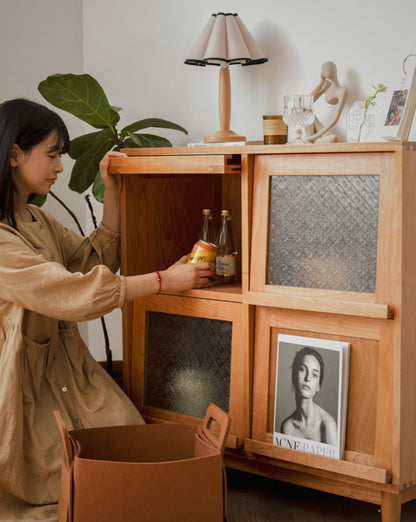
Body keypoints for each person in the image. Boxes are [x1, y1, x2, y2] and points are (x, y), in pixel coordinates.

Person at [0, 98, 214, 521]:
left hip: (71, 370)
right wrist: (163, 281)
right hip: (24, 381)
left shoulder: (38, 221)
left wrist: (112, 192)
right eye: (52, 154)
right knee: (50, 490)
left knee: (129, 448)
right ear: (13, 154)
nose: (60, 166)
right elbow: (70, 292)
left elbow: (90, 263)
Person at [280, 347, 337, 445]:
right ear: (293, 376)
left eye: (314, 375)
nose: (307, 378)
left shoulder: (327, 424)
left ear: (318, 386)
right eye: (302, 369)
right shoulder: (287, 427)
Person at [306, 61, 347, 143]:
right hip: (313, 133)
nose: (326, 71)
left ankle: (311, 141)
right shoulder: (327, 86)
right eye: (323, 69)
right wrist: (321, 83)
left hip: (323, 133)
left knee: (334, 138)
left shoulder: (342, 91)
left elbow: (335, 120)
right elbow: (306, 103)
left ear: (334, 70)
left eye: (328, 68)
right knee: (306, 109)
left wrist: (316, 136)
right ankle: (310, 138)